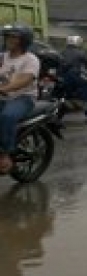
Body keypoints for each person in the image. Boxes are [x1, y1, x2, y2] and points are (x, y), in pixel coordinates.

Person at [0, 24, 40, 173]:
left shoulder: (30, 59)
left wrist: (4, 88)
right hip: (3, 96)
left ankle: (5, 154)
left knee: (7, 116)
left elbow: (24, 80)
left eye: (14, 37)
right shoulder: (2, 56)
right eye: (8, 36)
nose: (9, 40)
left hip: (23, 98)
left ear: (24, 40)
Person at [61, 35, 87, 102]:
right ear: (77, 42)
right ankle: (83, 102)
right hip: (73, 75)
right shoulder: (80, 53)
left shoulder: (62, 52)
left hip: (61, 75)